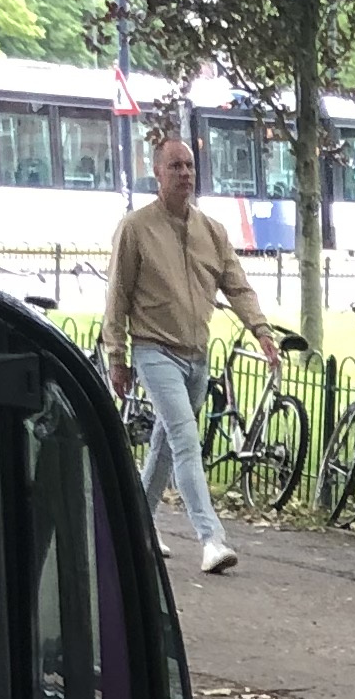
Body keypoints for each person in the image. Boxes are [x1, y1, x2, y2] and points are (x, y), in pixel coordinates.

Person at [104, 130, 273, 576]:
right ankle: (211, 538)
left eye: (189, 166)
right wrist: (117, 356)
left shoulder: (211, 232)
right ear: (157, 173)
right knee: (185, 438)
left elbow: (237, 286)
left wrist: (261, 331)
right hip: (153, 349)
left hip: (197, 354)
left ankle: (136, 523)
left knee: (165, 443)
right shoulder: (136, 228)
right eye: (175, 166)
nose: (184, 173)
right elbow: (117, 295)